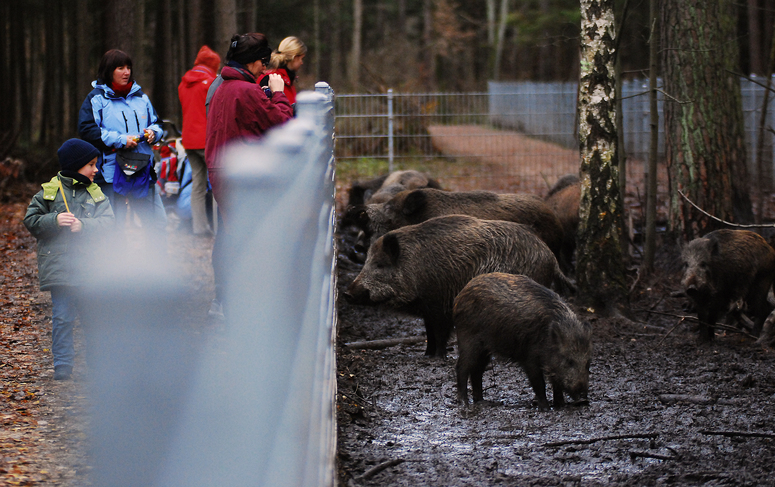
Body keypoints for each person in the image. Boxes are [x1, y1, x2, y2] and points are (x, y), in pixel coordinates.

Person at [205, 33, 294, 319]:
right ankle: (245, 307)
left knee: (233, 236)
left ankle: (229, 302)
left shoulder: (224, 87)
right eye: (263, 63)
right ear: (254, 62)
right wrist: (278, 93)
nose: (265, 70)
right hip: (239, 177)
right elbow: (281, 124)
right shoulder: (245, 90)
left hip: (220, 171)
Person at [23, 139, 115, 380]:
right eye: (91, 165)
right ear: (75, 166)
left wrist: (84, 225)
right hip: (61, 269)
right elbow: (31, 220)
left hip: (90, 269)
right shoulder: (50, 191)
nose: (96, 170)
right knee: (62, 318)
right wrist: (53, 221)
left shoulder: (96, 194)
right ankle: (63, 365)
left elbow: (109, 223)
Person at [78, 49, 166, 249]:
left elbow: (158, 123)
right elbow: (87, 129)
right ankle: (114, 274)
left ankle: (158, 269)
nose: (126, 72)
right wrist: (120, 140)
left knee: (157, 223)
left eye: (128, 67)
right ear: (109, 70)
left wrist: (154, 133)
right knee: (113, 227)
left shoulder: (140, 96)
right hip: (112, 171)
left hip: (142, 170)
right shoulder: (96, 98)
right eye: (120, 68)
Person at [178, 45, 221, 236]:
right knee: (218, 184)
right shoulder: (212, 82)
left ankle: (199, 228)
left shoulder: (183, 83)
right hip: (206, 140)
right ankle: (220, 230)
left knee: (198, 183)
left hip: (188, 141)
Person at [259, 36, 307, 108]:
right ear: (295, 57)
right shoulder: (271, 79)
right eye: (301, 59)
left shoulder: (287, 79)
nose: (301, 62)